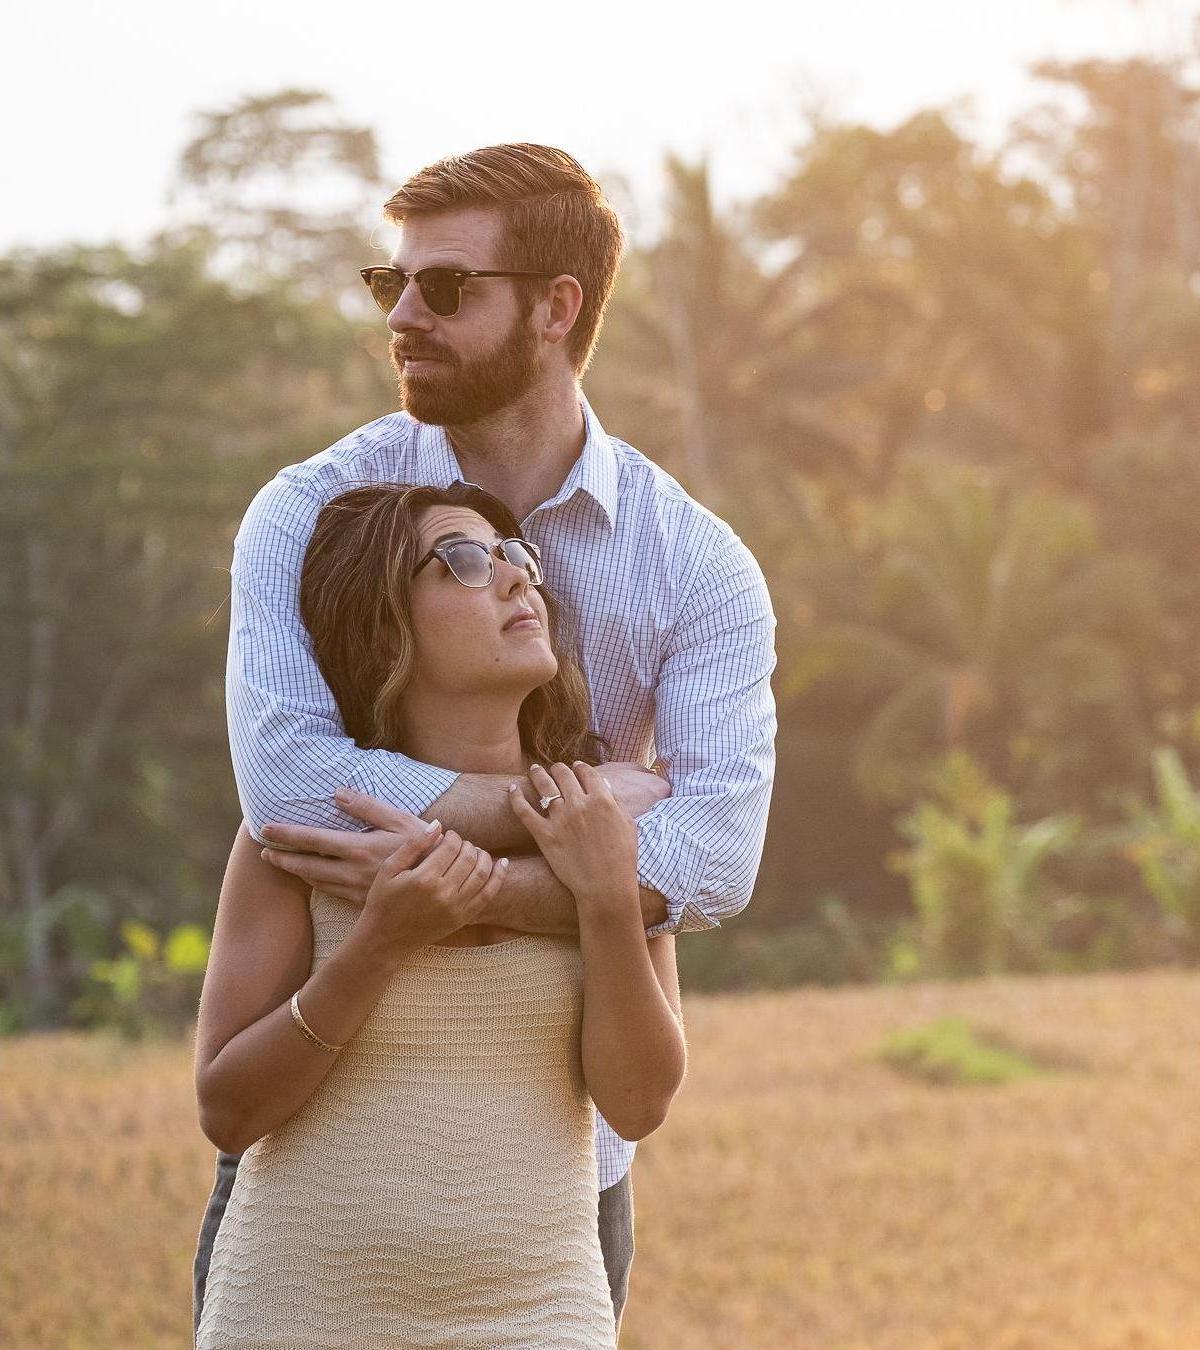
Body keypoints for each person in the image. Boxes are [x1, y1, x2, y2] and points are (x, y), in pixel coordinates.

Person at [191, 142, 778, 1339]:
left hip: (558, 1205)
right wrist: (590, 815)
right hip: (317, 1215)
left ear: (558, 309)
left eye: (447, 288)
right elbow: (289, 787)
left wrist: (477, 889)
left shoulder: (698, 563)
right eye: (390, 283)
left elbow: (716, 860)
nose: (403, 315)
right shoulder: (311, 514)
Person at [195, 480, 685, 1346]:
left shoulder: (602, 829)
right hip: (299, 1310)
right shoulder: (305, 831)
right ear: (384, 624)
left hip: (544, 1314)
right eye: (463, 559)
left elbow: (638, 1104)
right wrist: (377, 947)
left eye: (516, 557)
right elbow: (229, 1113)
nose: (513, 579)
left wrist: (607, 900)